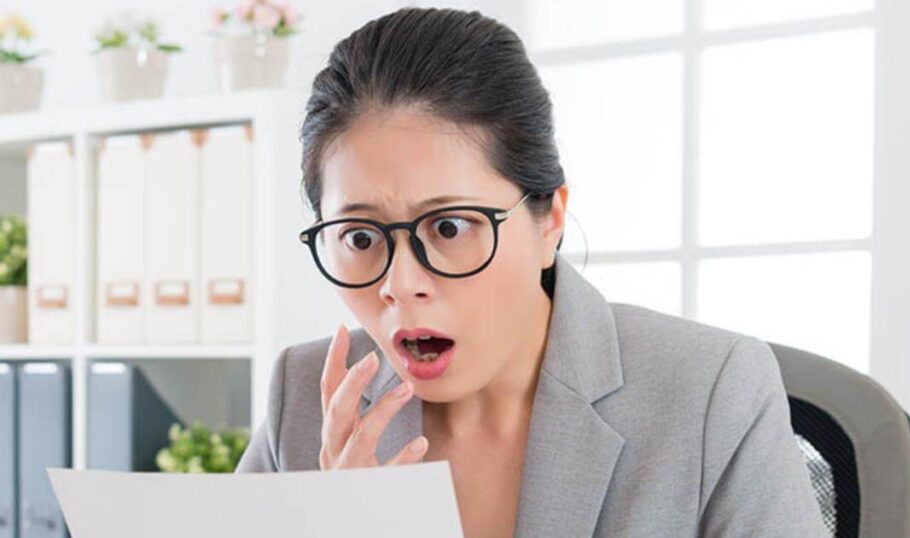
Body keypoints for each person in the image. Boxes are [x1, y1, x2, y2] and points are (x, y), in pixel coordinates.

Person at [235, 7, 828, 537]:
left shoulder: (710, 395)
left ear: (549, 222)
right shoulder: (309, 398)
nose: (399, 284)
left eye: (448, 227)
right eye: (360, 238)